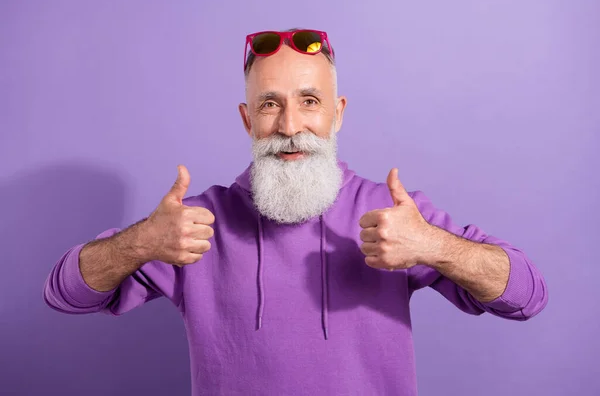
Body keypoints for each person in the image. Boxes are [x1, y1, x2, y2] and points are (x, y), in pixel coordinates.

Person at [43, 28, 548, 396]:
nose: (290, 124)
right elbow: (64, 295)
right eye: (269, 104)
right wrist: (141, 243)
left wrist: (432, 245)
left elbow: (526, 297)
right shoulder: (191, 225)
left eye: (309, 100)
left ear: (338, 113)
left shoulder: (394, 215)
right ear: (247, 119)